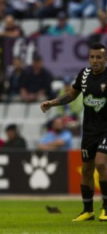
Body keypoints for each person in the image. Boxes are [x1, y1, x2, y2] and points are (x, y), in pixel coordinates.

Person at [41, 42, 107, 221]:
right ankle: (88, 211)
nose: (95, 61)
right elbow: (71, 94)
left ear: (105, 59)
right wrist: (52, 103)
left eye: (99, 57)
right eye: (92, 57)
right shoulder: (84, 75)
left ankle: (106, 209)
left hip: (105, 129)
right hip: (89, 131)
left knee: (101, 164)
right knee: (86, 170)